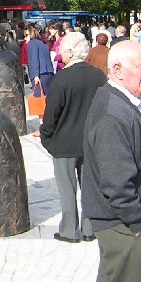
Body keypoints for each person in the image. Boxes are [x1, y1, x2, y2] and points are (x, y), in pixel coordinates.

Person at [82, 41, 141, 282]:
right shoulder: (113, 113)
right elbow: (117, 181)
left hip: (124, 225)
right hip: (123, 226)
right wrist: (140, 226)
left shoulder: (118, 103)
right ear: (118, 70)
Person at [39, 32, 106, 243]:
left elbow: (52, 113)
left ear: (70, 51)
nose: (59, 52)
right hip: (91, 141)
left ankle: (69, 230)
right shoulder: (98, 76)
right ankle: (89, 228)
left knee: (67, 189)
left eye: (61, 49)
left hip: (64, 142)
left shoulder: (62, 78)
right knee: (90, 187)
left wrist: (45, 135)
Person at [26, 25, 54, 137]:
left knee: (40, 100)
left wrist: (34, 75)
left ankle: (42, 127)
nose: (25, 38)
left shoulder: (32, 44)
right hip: (48, 73)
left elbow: (34, 60)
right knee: (46, 99)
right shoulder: (41, 44)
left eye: (26, 35)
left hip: (40, 74)